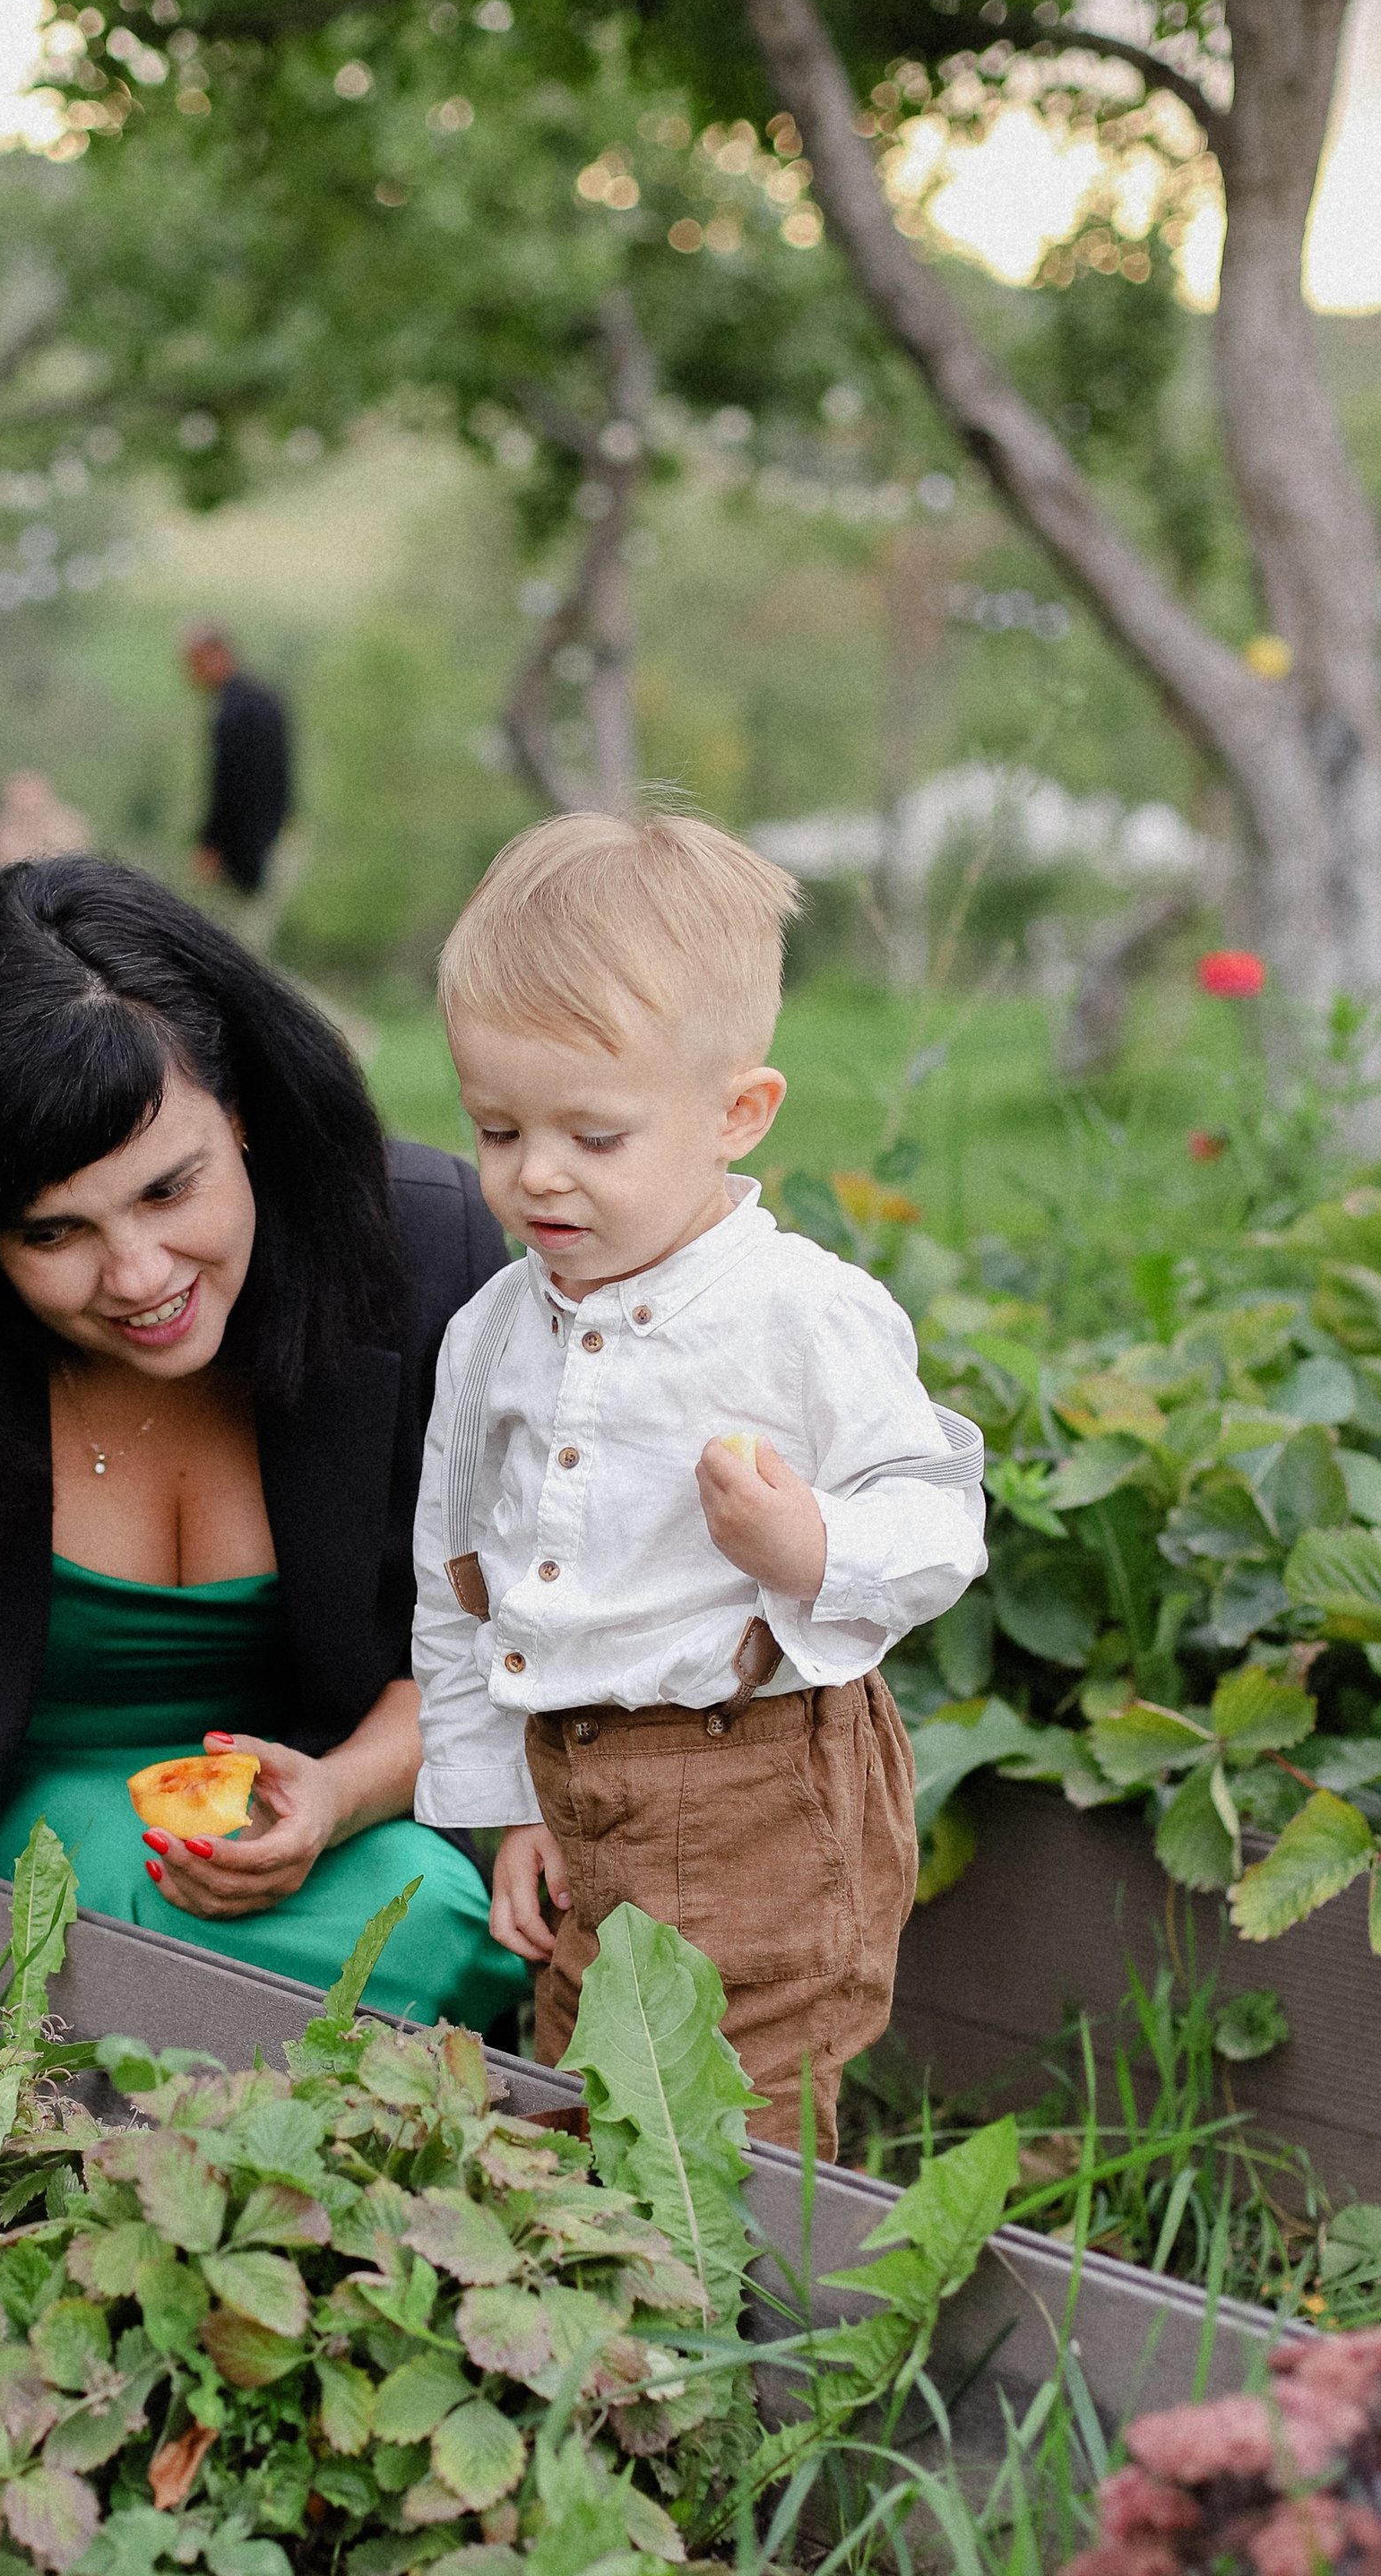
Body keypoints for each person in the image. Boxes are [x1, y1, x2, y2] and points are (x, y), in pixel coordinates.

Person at [0, 852, 529, 2040]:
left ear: (240, 1112)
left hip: (336, 1830)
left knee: (427, 1921)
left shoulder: (425, 1257)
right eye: (53, 1232)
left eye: (169, 1191)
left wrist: (337, 1796)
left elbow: (488, 1638)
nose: (136, 1276)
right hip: (7, 1867)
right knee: (107, 1937)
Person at [410, 808, 987, 2155]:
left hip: (759, 1792)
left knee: (738, 2114)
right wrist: (510, 1807)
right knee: (583, 2081)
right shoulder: (491, 1332)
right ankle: (601, 2283)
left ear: (738, 1114)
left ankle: (757, 2292)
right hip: (576, 1782)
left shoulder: (799, 1315)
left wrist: (812, 1546)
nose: (535, 1174)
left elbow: (939, 1517)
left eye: (594, 1137)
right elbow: (459, 1581)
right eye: (496, 1128)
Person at [181, 626, 289, 906]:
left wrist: (212, 844)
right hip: (272, 837)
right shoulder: (266, 698)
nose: (190, 673)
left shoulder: (233, 711)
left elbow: (229, 784)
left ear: (217, 654)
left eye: (193, 661)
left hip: (244, 850)